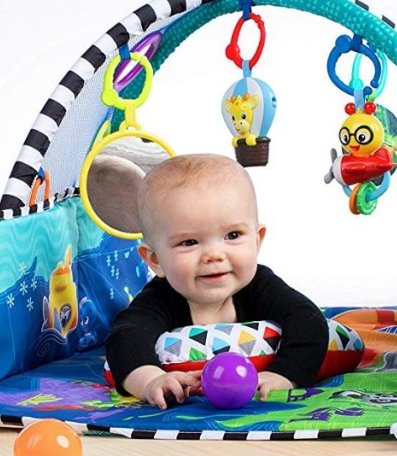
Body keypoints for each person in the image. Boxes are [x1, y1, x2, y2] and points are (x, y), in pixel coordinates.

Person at [105, 154, 328, 409]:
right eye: (189, 242)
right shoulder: (160, 298)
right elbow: (126, 337)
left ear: (257, 240)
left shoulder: (260, 284)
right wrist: (151, 380)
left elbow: (307, 320)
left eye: (232, 235)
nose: (214, 255)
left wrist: (284, 375)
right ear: (155, 260)